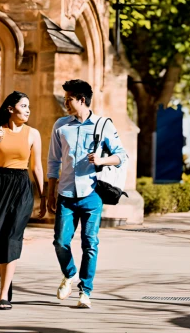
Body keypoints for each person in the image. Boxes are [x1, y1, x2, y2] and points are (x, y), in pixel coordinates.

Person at [46, 79, 127, 309]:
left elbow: (122, 155)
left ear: (82, 100)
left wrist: (102, 160)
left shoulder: (103, 125)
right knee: (60, 242)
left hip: (93, 194)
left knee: (90, 243)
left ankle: (85, 291)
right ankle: (69, 274)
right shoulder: (61, 126)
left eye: (69, 99)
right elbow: (53, 161)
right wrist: (50, 193)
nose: (65, 103)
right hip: (66, 194)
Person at [0, 91, 45, 310]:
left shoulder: (33, 134)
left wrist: (43, 197)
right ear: (10, 108)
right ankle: (7, 276)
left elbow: (36, 167)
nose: (27, 110)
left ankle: (3, 294)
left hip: (21, 186)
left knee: (12, 237)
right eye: (23, 106)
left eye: (29, 107)